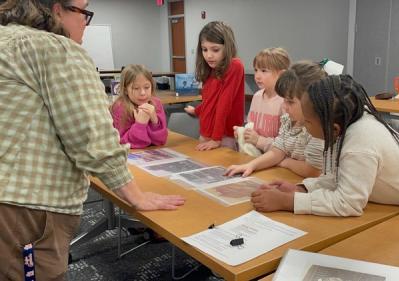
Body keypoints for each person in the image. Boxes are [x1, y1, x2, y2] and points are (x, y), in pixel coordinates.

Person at [0, 1, 184, 279]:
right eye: (82, 11)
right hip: (26, 208)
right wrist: (137, 197)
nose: (86, 21)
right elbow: (93, 138)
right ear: (56, 9)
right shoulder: (55, 48)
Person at [251, 74, 399, 216]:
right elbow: (338, 179)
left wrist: (287, 202)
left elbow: (348, 203)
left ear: (334, 128)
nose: (304, 124)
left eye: (308, 122)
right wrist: (301, 189)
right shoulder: (350, 123)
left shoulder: (360, 143)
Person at [226, 62, 326, 178]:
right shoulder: (288, 120)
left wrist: (286, 162)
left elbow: (312, 171)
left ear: (311, 101)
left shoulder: (317, 130)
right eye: (284, 100)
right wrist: (251, 165)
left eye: (290, 102)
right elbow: (276, 151)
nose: (284, 106)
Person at [184, 21, 245, 151]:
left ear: (227, 47)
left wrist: (216, 138)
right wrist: (197, 110)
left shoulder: (235, 65)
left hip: (223, 135)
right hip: (207, 133)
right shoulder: (211, 68)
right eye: (204, 49)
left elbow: (224, 103)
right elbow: (211, 100)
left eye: (215, 49)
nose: (209, 55)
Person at [237, 47, 290, 153]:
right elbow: (250, 127)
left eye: (264, 71)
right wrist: (242, 134)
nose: (257, 76)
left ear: (281, 74)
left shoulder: (286, 102)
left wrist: (258, 140)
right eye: (256, 70)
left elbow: (287, 145)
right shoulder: (257, 96)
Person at [111, 64, 168, 149]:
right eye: (136, 88)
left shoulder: (156, 103)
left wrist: (155, 121)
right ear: (126, 90)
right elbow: (124, 144)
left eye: (147, 87)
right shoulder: (120, 108)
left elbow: (161, 141)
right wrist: (140, 124)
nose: (142, 93)